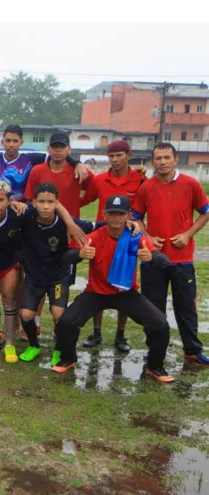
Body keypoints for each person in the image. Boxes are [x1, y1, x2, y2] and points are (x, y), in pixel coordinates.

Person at [53, 195, 174, 384]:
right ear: (105, 214)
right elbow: (66, 257)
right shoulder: (95, 236)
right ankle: (68, 358)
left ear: (128, 215)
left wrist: (151, 258)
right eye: (112, 213)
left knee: (160, 325)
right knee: (66, 323)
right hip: (96, 292)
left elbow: (164, 262)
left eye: (120, 214)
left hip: (125, 293)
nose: (116, 218)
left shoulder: (135, 237)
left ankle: (155, 366)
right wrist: (80, 254)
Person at [0, 180, 85, 364]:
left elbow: (52, 204)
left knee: (9, 297)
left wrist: (69, 223)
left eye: (2, 200)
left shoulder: (19, 213)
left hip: (9, 263)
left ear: (9, 200)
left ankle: (10, 344)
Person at [133, 142, 209, 366]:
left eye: (167, 157)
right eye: (158, 158)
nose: (162, 162)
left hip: (182, 259)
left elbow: (205, 213)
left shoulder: (190, 184)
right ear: (152, 162)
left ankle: (192, 350)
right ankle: (156, 350)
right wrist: (147, 237)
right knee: (154, 309)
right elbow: (136, 216)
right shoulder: (146, 187)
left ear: (176, 159)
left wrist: (187, 234)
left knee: (185, 306)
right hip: (153, 260)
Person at [18, 183, 101, 363]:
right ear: (34, 202)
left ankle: (59, 349)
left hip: (58, 277)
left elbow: (94, 225)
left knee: (59, 315)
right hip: (34, 277)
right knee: (25, 315)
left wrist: (123, 221)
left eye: (50, 202)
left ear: (57, 203)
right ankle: (34, 345)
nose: (46, 206)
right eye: (41, 202)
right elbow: (1, 207)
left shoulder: (66, 222)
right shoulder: (26, 217)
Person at [78, 140, 145, 350]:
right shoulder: (100, 179)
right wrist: (60, 207)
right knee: (96, 281)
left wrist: (138, 224)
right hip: (102, 236)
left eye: (119, 155)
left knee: (124, 283)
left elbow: (145, 204)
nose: (115, 160)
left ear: (129, 154)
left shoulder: (139, 179)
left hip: (126, 238)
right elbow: (85, 199)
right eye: (111, 156)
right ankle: (96, 333)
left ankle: (120, 335)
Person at [0, 125, 89, 201]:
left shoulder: (31, 159)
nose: (11, 144)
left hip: (20, 211)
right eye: (8, 140)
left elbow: (57, 155)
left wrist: (77, 163)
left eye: (15, 141)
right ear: (2, 142)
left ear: (21, 142)